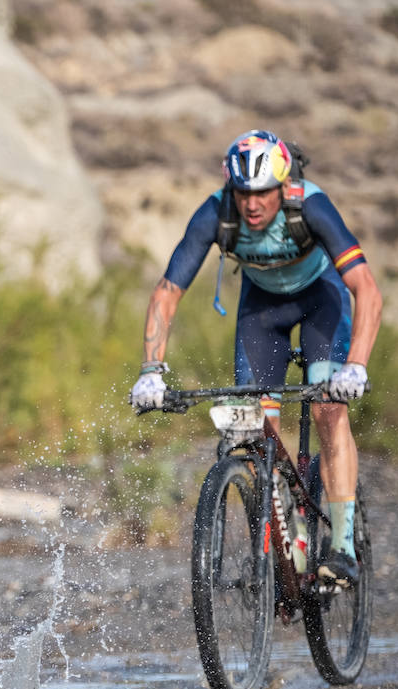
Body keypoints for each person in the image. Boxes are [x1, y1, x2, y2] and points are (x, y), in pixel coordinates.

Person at [128, 129, 382, 586]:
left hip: (322, 301)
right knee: (253, 426)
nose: (251, 203)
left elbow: (366, 289)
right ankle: (285, 536)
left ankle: (342, 547)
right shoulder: (216, 212)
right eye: (243, 192)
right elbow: (166, 293)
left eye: (262, 192)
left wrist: (357, 365)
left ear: (283, 186)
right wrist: (151, 371)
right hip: (262, 311)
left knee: (327, 409)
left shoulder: (311, 206)